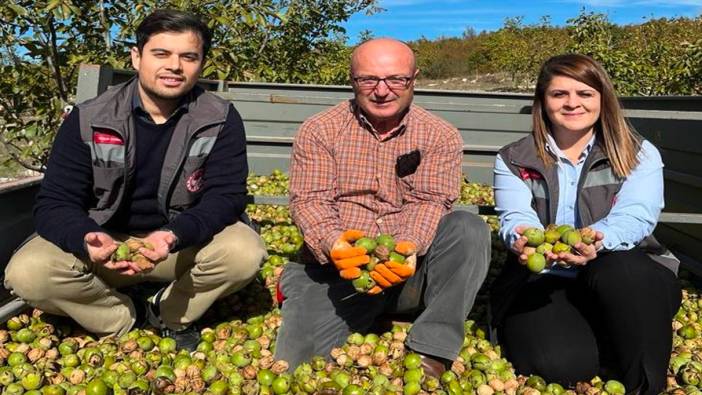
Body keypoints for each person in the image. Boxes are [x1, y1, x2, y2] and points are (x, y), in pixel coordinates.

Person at [4, 9, 266, 351]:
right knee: (27, 273)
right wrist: (86, 237)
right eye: (161, 53)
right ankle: (124, 316)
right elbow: (55, 202)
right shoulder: (89, 118)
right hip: (106, 249)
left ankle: (171, 312)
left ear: (201, 63)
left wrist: (173, 236)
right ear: (136, 56)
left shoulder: (219, 118)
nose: (174, 66)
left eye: (188, 56)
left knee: (244, 253)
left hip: (176, 245)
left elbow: (226, 196)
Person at [273, 38, 491, 376]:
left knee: (469, 228)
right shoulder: (319, 130)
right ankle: (309, 293)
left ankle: (432, 348)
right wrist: (334, 243)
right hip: (339, 272)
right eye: (368, 79)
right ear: (352, 81)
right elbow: (310, 200)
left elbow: (431, 201)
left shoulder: (439, 135)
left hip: (409, 272)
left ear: (413, 79)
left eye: (396, 79)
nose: (382, 90)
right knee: (300, 367)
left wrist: (408, 246)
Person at [490, 54, 681, 394]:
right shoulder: (514, 158)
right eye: (559, 94)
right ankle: (611, 335)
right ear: (542, 102)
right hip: (546, 277)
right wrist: (520, 236)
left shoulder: (638, 153)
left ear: (602, 99)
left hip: (621, 271)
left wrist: (598, 240)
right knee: (560, 366)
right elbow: (515, 214)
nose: (572, 103)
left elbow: (636, 215)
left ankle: (646, 386)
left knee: (623, 273)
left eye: (585, 93)